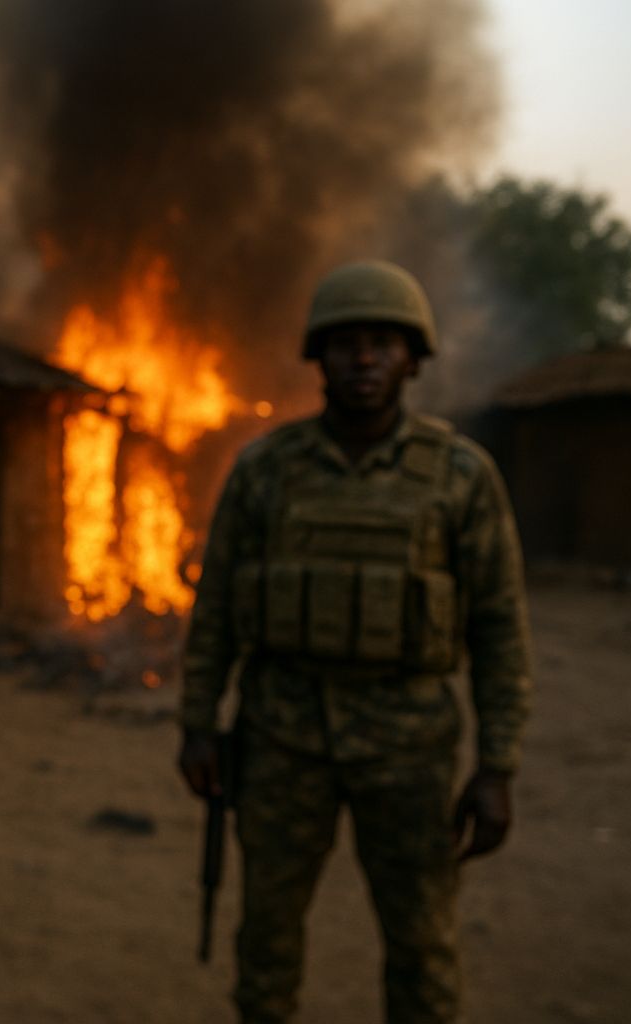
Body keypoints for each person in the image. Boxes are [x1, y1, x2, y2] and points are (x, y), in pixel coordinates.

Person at [177, 260, 531, 1024]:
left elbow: (500, 625)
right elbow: (216, 611)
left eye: (383, 343)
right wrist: (198, 722)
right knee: (267, 944)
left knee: (422, 947)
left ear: (413, 359)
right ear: (318, 357)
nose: (364, 359)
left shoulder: (462, 476)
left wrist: (498, 766)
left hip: (410, 750)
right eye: (345, 343)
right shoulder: (266, 470)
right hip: (281, 738)